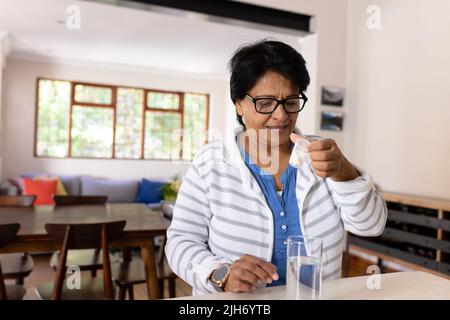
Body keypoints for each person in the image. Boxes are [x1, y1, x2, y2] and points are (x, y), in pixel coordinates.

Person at [165, 40, 387, 295]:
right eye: (266, 102)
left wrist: (343, 172)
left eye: (290, 101)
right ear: (239, 103)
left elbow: (371, 226)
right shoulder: (211, 162)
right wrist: (220, 274)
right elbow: (181, 241)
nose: (281, 116)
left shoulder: (322, 155)